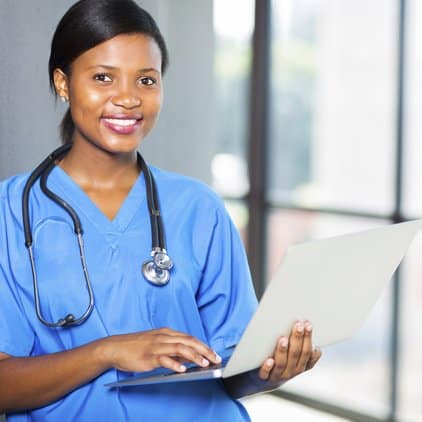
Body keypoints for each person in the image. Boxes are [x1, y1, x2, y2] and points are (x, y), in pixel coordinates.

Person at [0, 0, 321, 420]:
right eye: (103, 78)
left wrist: (273, 370)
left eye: (146, 80)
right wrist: (109, 351)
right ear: (63, 83)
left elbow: (229, 369)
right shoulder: (11, 213)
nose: (128, 99)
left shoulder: (198, 208)